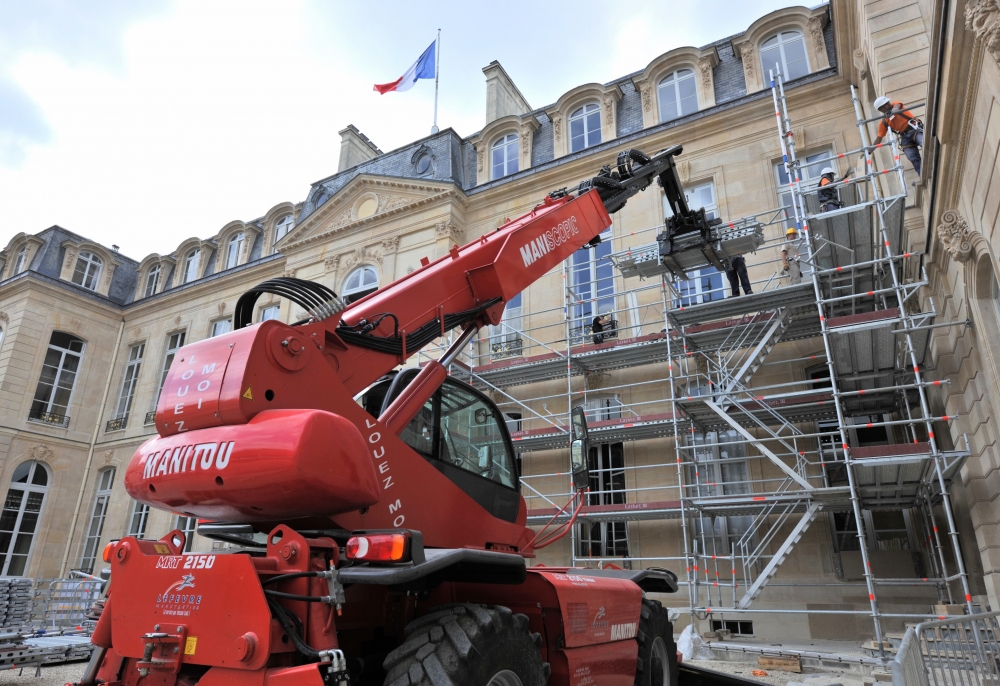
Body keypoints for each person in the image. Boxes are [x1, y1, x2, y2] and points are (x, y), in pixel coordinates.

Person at [872, 96, 923, 174]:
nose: (889, 104)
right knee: (912, 157)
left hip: (915, 128)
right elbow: (879, 138)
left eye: (888, 102)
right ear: (881, 109)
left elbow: (896, 107)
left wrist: (893, 111)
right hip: (905, 136)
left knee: (924, 142)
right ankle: (922, 173)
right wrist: (869, 150)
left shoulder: (895, 104)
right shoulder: (884, 122)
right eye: (886, 104)